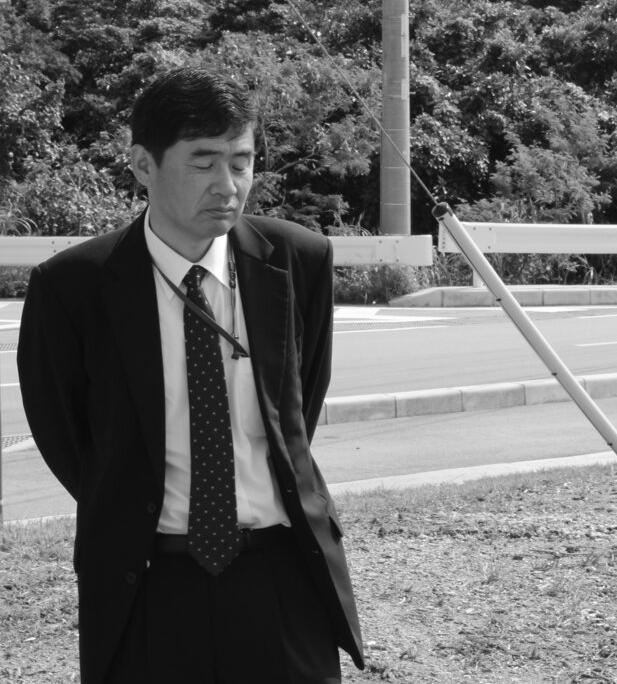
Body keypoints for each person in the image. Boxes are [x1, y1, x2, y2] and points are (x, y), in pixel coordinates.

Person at [18, 67, 364, 684]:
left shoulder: (298, 260)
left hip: (282, 574)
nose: (227, 185)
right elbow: (68, 438)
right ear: (143, 165)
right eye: (202, 162)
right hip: (147, 580)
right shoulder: (73, 287)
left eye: (241, 160)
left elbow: (297, 413)